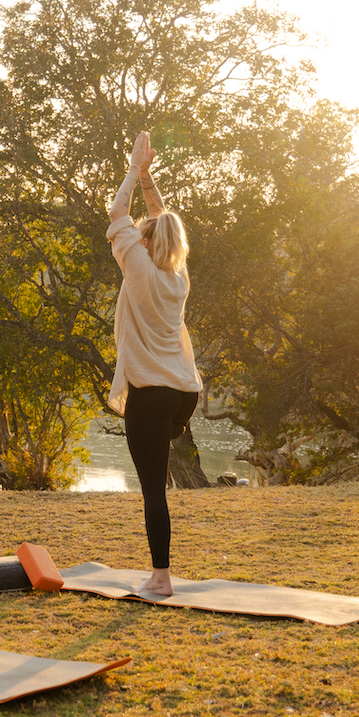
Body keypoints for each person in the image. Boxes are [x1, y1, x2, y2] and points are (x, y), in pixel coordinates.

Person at [106, 131, 202, 597]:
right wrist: (148, 177)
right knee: (157, 464)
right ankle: (168, 431)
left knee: (152, 490)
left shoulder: (139, 268)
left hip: (151, 392)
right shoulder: (177, 277)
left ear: (143, 242)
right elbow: (161, 222)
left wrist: (131, 167)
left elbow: (116, 213)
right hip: (185, 394)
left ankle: (160, 578)